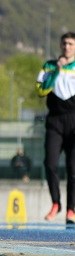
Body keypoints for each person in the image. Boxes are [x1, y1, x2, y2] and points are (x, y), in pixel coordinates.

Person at [38, 32, 75, 223]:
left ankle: (71, 209)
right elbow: (41, 90)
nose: (66, 47)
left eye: (70, 44)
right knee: (50, 164)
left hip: (74, 121)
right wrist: (56, 71)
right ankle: (55, 204)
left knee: (73, 168)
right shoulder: (49, 65)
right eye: (64, 43)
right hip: (54, 121)